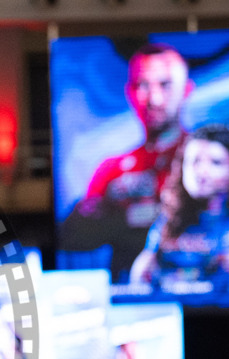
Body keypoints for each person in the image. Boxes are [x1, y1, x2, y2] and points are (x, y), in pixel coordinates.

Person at [61, 44, 194, 282]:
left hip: (201, 293)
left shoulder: (209, 160)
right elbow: (73, 236)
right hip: (127, 297)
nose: (153, 98)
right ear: (129, 92)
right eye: (143, 85)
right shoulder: (112, 169)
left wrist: (122, 217)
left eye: (165, 85)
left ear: (186, 90)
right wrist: (132, 218)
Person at [130, 124, 229, 293]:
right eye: (194, 161)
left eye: (215, 163)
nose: (201, 172)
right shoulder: (170, 221)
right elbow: (139, 276)